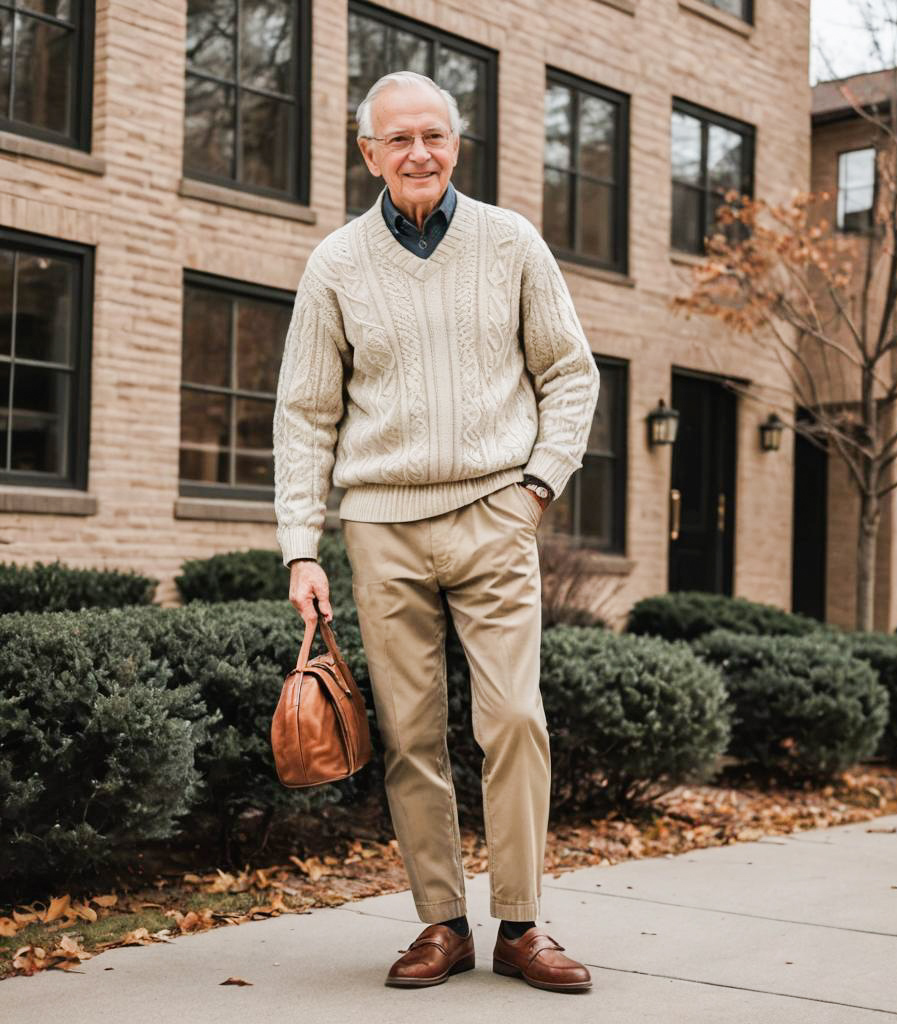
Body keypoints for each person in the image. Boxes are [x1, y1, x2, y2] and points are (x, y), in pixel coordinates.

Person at [272, 69, 600, 994]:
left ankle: (523, 926)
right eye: (398, 139)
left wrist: (537, 487)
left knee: (515, 722)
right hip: (382, 527)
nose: (419, 153)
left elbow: (569, 374)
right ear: (367, 153)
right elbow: (304, 414)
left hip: (495, 516)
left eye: (436, 136)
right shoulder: (335, 263)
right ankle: (441, 924)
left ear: (457, 145)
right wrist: (303, 545)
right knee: (412, 735)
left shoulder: (511, 243)